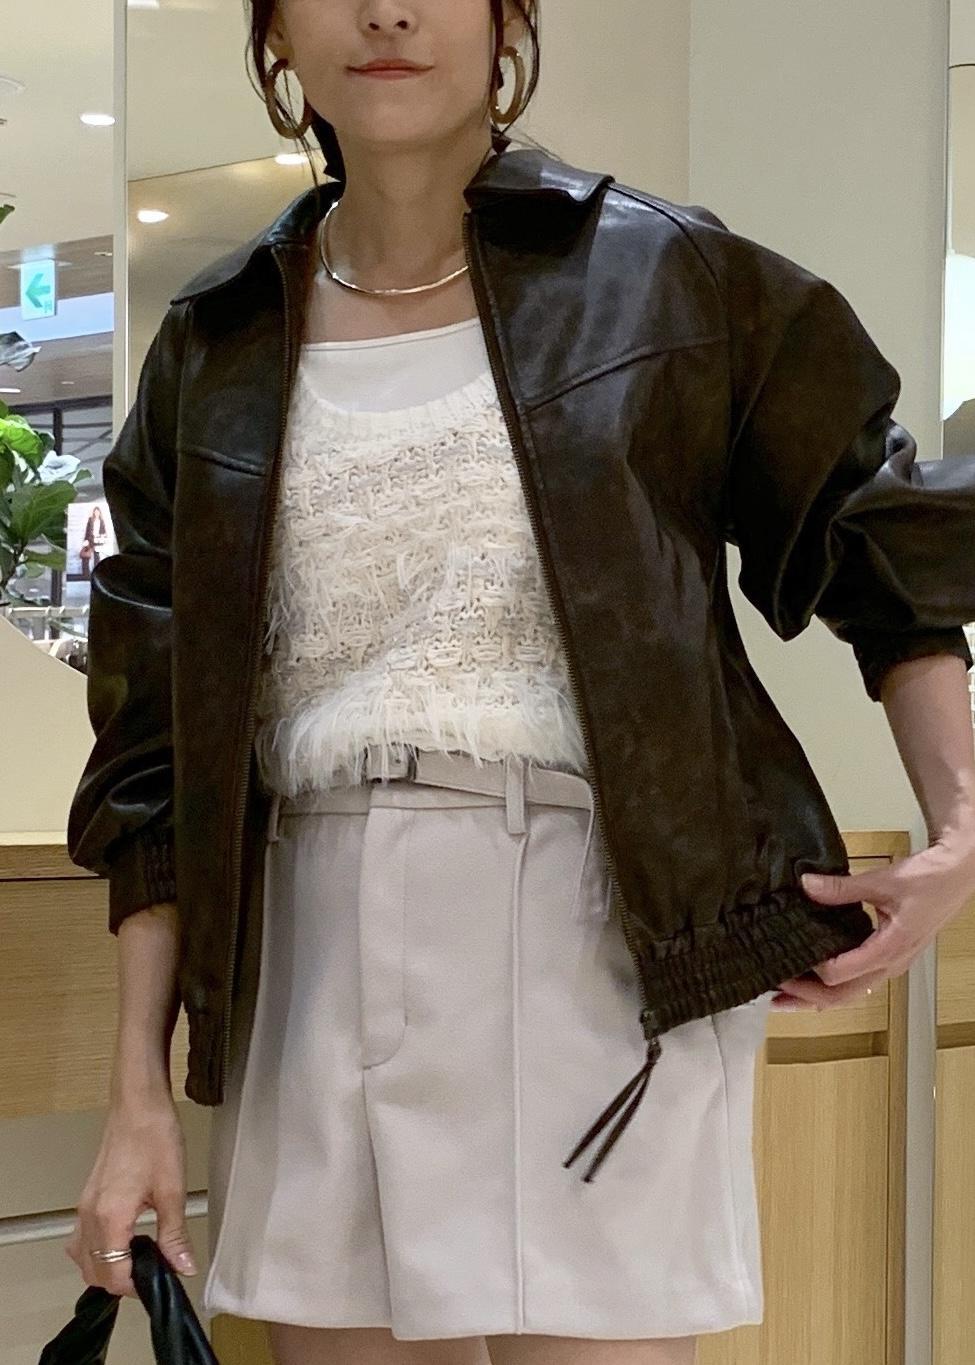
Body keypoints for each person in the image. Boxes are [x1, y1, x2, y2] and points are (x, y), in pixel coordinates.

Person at [63, 3, 975, 1364]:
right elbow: (153, 751)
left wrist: (962, 820)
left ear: (507, 20)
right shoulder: (215, 342)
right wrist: (138, 1085)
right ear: (275, 37)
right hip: (307, 940)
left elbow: (870, 526)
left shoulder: (666, 278)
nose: (386, 11)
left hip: (596, 933)